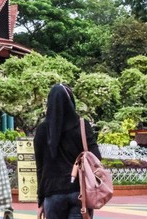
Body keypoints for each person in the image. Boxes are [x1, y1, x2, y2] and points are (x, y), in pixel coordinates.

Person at [34, 84, 102, 219]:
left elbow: (40, 168)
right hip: (79, 191)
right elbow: (97, 157)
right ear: (71, 102)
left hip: (52, 193)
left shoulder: (42, 130)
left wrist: (41, 199)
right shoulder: (81, 125)